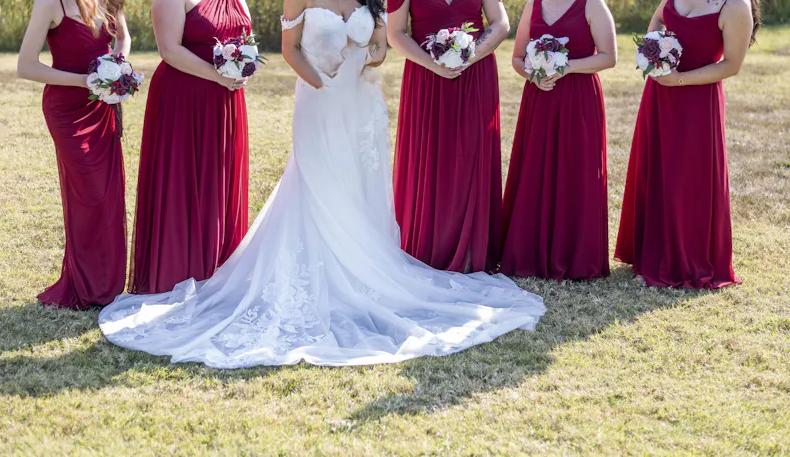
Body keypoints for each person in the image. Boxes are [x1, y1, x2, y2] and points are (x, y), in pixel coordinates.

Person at [96, 0, 545, 369]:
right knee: (319, 181)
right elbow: (290, 49)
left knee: (359, 185)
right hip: (318, 100)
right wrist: (321, 83)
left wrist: (367, 56)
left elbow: (381, 46)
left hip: (360, 102)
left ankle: (364, 264)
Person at [615, 0, 760, 288]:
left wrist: (679, 80)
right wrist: (654, 54)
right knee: (656, 170)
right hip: (659, 93)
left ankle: (686, 260)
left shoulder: (735, 6)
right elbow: (658, 19)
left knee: (687, 178)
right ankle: (651, 252)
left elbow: (732, 65)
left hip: (698, 102)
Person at [127, 0, 253, 294]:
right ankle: (180, 267)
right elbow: (169, 50)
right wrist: (218, 76)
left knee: (218, 179)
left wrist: (244, 69)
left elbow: (246, 41)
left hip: (226, 100)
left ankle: (219, 265)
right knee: (182, 179)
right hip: (184, 99)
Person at [17, 0, 131, 310]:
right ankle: (85, 285)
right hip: (67, 109)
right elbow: (26, 66)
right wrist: (85, 80)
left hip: (102, 106)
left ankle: (107, 285)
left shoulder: (108, 0)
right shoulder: (49, 4)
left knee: (108, 193)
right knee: (89, 192)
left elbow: (123, 38)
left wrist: (115, 69)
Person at [386, 0, 512, 273]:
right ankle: (426, 246)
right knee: (431, 157)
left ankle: (472, 251)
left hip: (475, 73)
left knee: (471, 155)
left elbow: (501, 24)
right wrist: (433, 64)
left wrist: (468, 56)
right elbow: (395, 34)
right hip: (426, 76)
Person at [500, 0, 616, 280]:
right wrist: (532, 76)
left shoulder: (592, 5)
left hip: (579, 100)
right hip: (540, 98)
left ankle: (575, 255)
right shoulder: (533, 5)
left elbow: (608, 57)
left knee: (576, 172)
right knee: (536, 170)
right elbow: (517, 58)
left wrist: (565, 66)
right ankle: (530, 252)